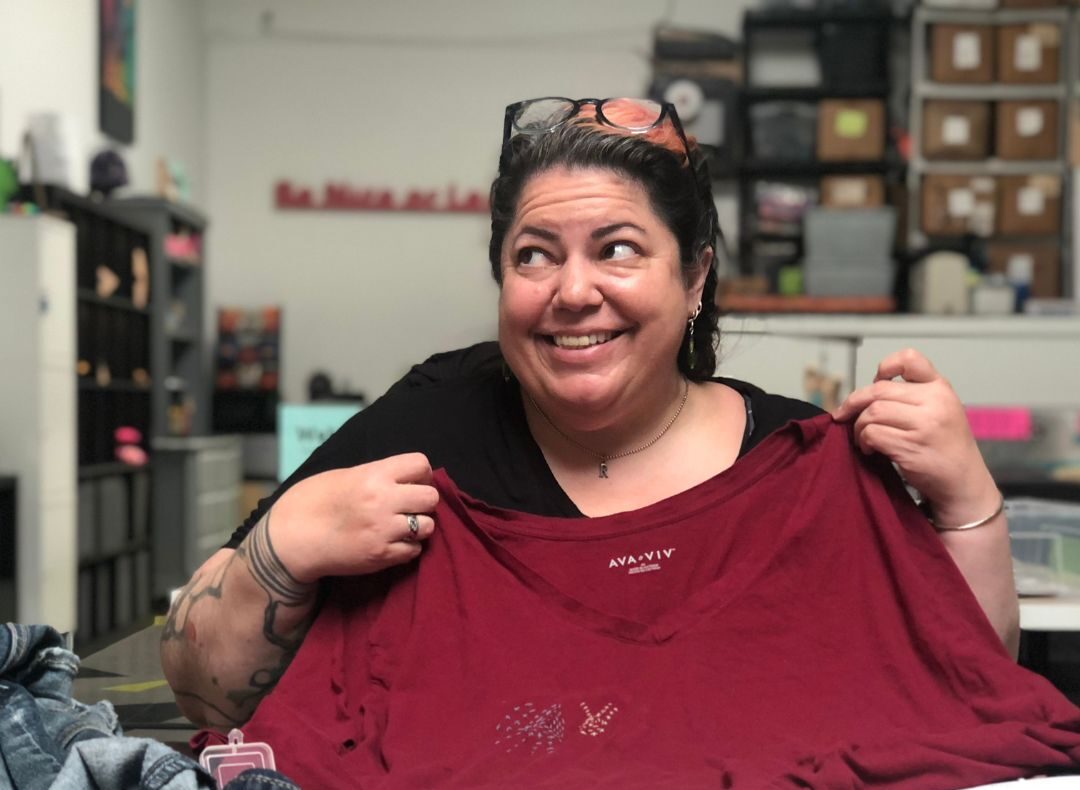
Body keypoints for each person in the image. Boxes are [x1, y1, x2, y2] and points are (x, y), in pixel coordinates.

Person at [161, 98, 1017, 742]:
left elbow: (967, 691)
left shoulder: (797, 474)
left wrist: (967, 503)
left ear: (694, 279)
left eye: (617, 249)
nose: (573, 292)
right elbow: (201, 692)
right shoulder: (434, 420)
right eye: (534, 255)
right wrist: (279, 554)